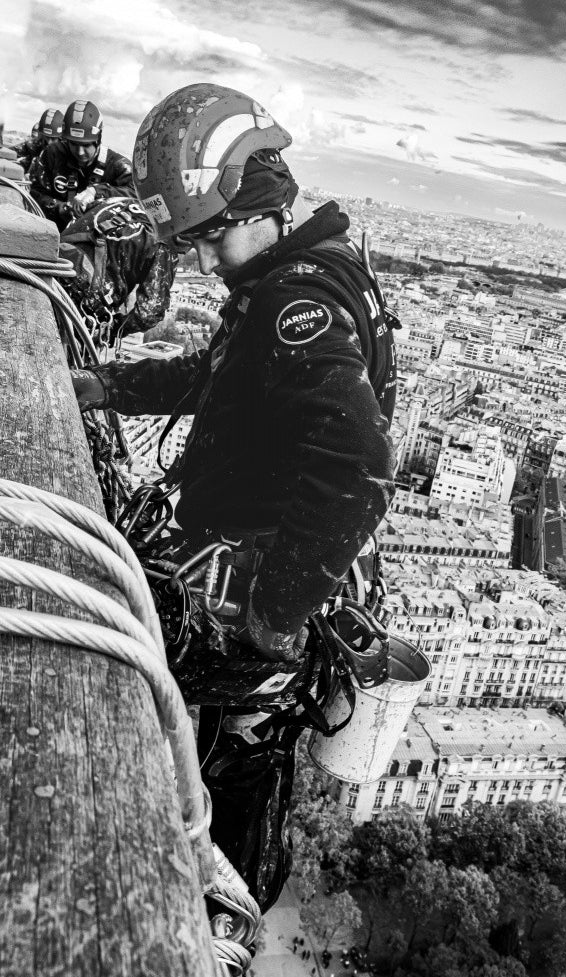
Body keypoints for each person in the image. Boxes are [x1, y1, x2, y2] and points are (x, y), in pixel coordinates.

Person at [70, 83, 397, 909]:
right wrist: (106, 386)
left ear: (258, 207)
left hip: (251, 595)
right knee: (212, 763)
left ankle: (214, 920)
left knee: (209, 766)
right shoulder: (287, 285)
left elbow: (357, 463)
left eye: (213, 237)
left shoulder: (296, 307)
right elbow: (209, 379)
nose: (206, 261)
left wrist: (275, 610)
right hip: (256, 574)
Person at [59, 196, 179, 342]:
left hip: (54, 262)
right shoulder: (164, 244)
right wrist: (113, 330)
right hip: (77, 300)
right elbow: (150, 313)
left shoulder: (122, 201)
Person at [31, 99, 134, 230]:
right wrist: (59, 208)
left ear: (98, 140)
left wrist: (97, 191)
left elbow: (138, 195)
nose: (80, 152)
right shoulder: (52, 154)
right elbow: (36, 191)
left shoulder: (119, 166)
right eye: (73, 144)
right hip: (52, 229)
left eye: (86, 145)